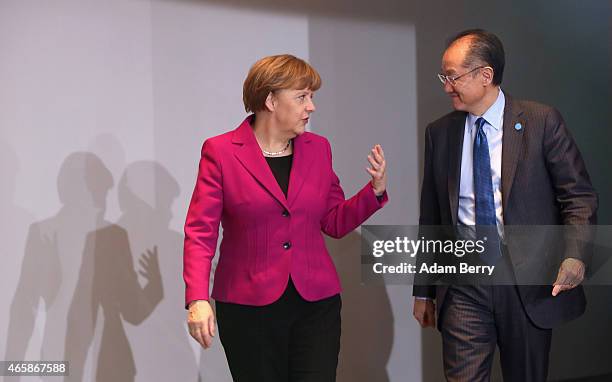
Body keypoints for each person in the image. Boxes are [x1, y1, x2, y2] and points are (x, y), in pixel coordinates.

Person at [183, 54, 388, 382]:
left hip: (316, 304)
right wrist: (197, 298)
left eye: (312, 97)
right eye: (302, 97)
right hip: (248, 308)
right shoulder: (220, 152)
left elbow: (333, 221)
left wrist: (373, 193)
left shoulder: (318, 149)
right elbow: (200, 231)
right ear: (270, 100)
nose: (311, 107)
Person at [412, 29, 597, 381]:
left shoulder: (541, 122)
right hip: (463, 284)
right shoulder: (440, 133)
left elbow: (579, 196)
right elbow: (431, 216)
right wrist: (424, 290)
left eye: (452, 76)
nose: (446, 85)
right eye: (444, 76)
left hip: (526, 283)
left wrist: (576, 254)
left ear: (485, 76)